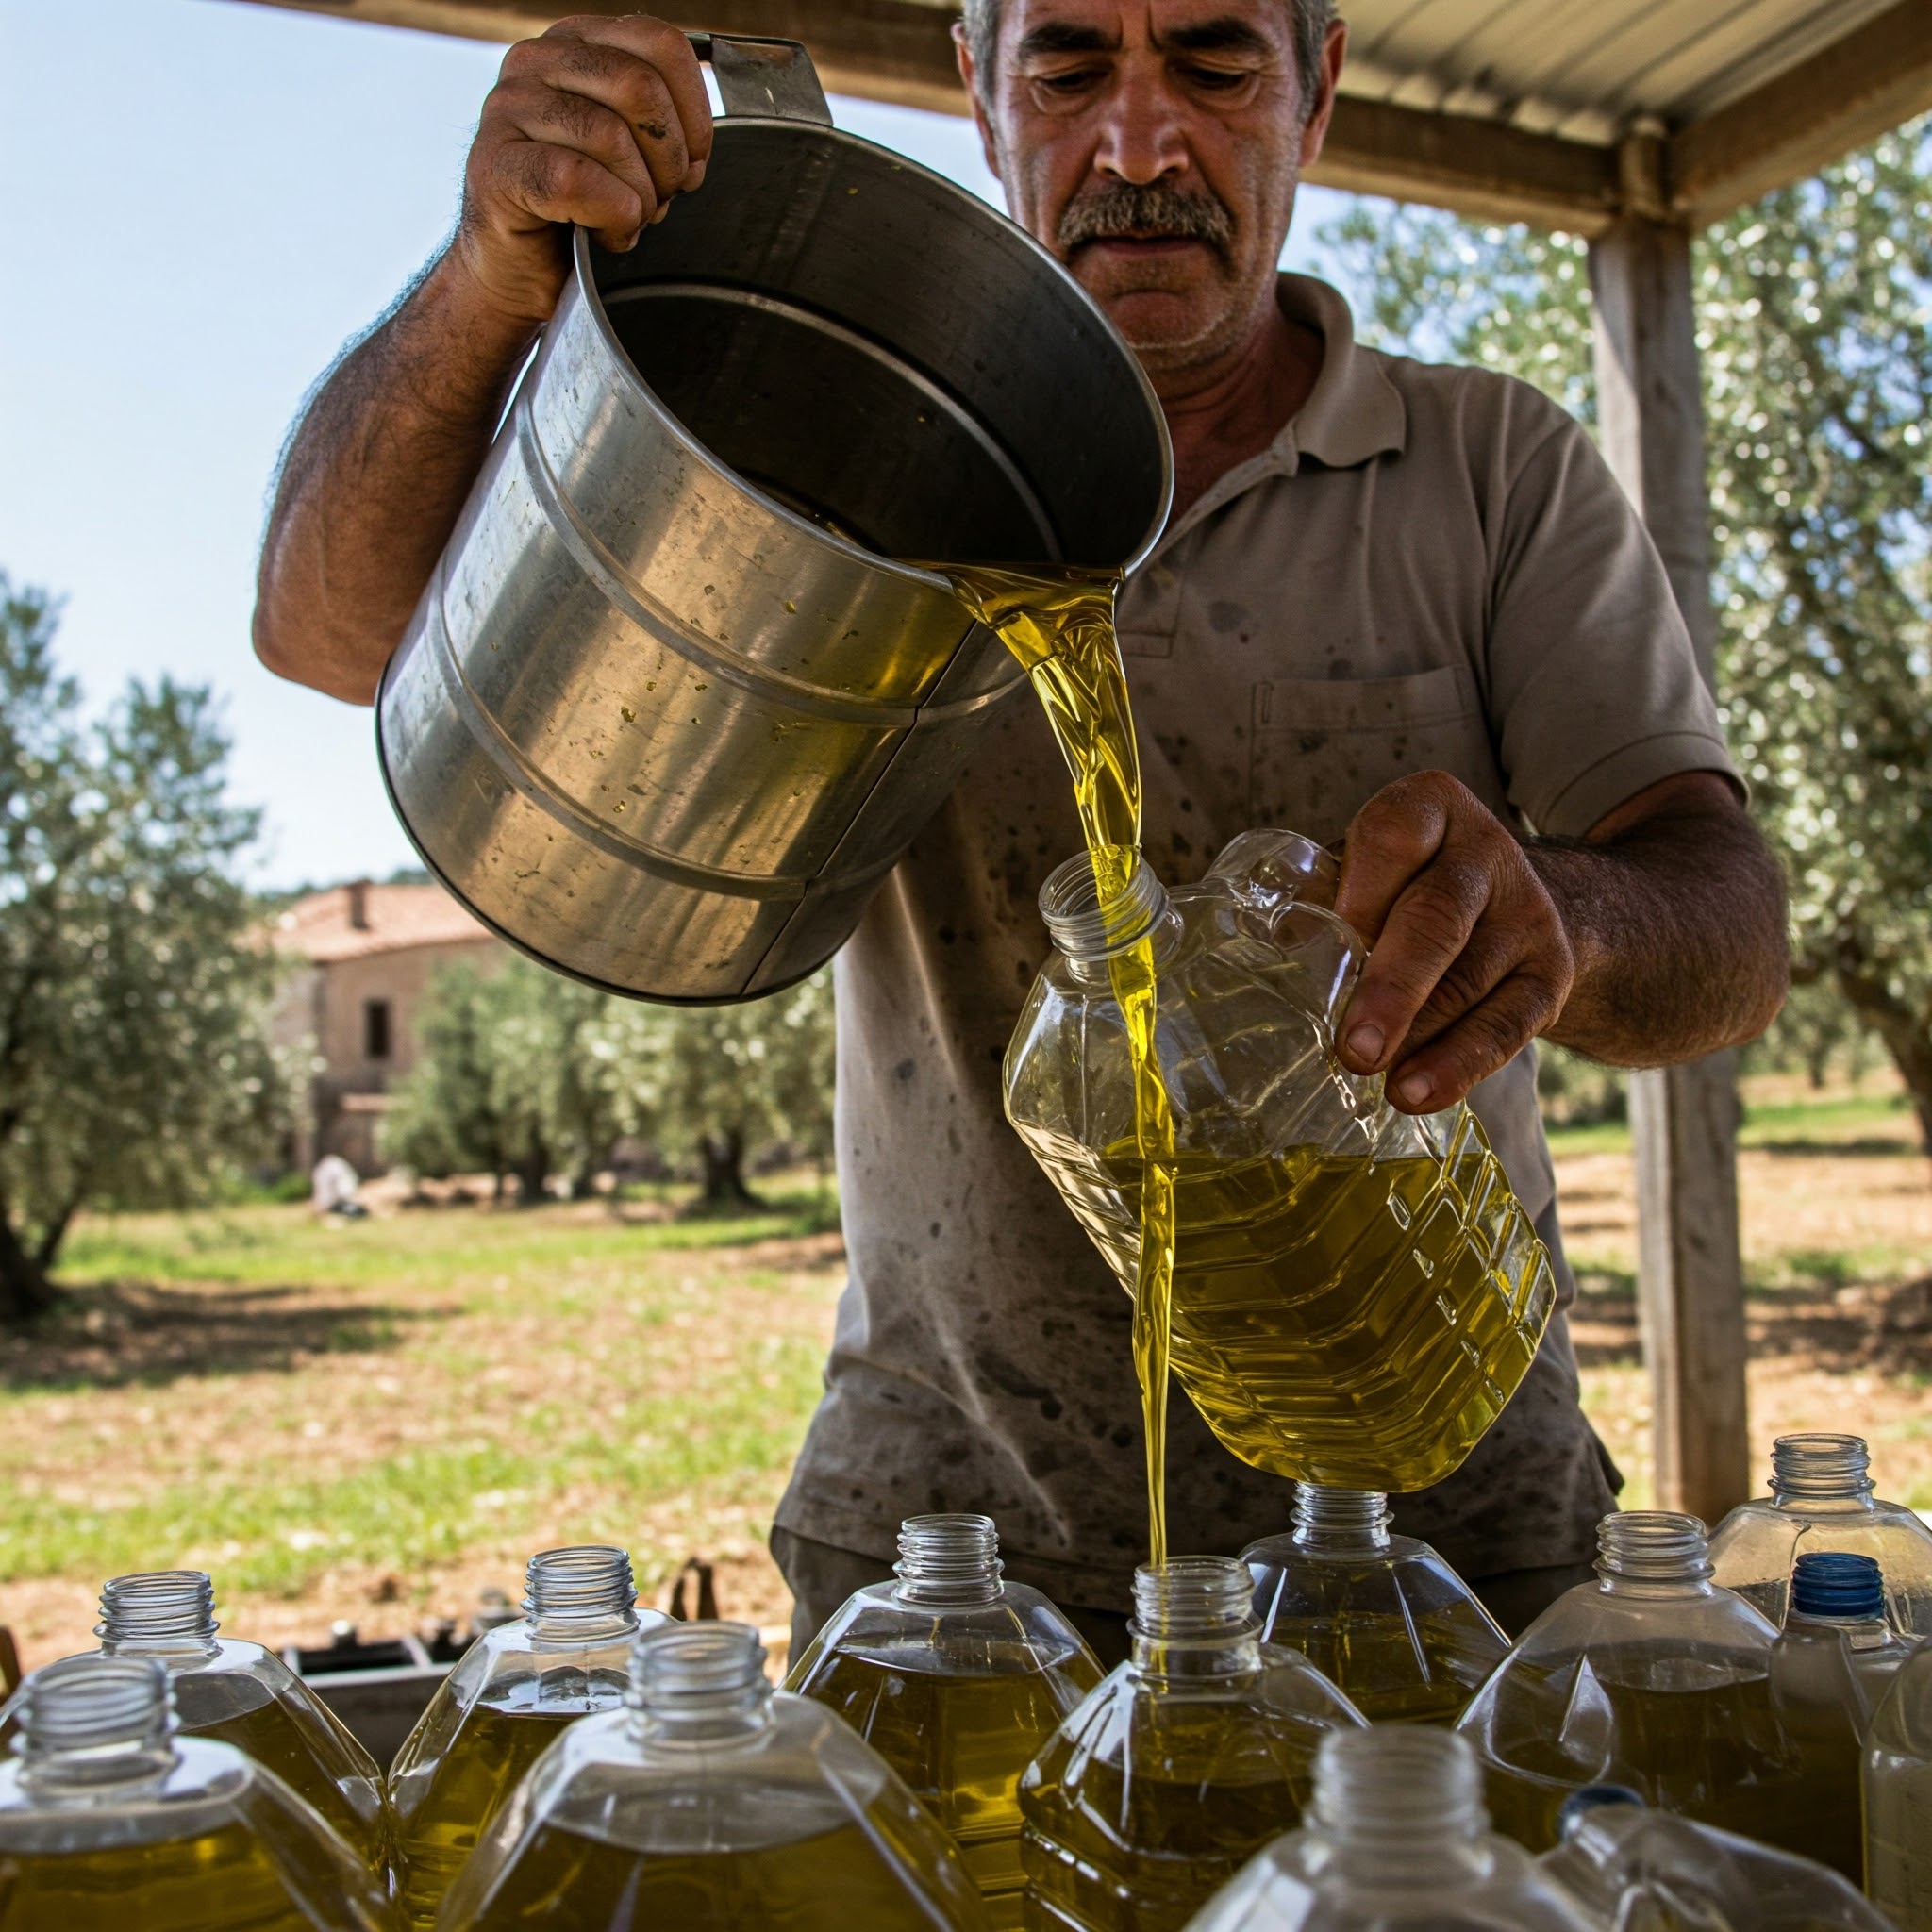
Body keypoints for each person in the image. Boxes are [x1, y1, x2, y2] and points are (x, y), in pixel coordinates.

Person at [254, 1, 1788, 1659]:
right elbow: (329, 635)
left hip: (1445, 1551)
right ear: (979, 96)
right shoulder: (853, 463)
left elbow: (1730, 930)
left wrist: (1566, 917)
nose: (1138, 146)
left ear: (1317, 90)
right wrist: (491, 278)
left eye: (1212, 65)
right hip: (952, 1571)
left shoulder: (1494, 470)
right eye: (1066, 70)